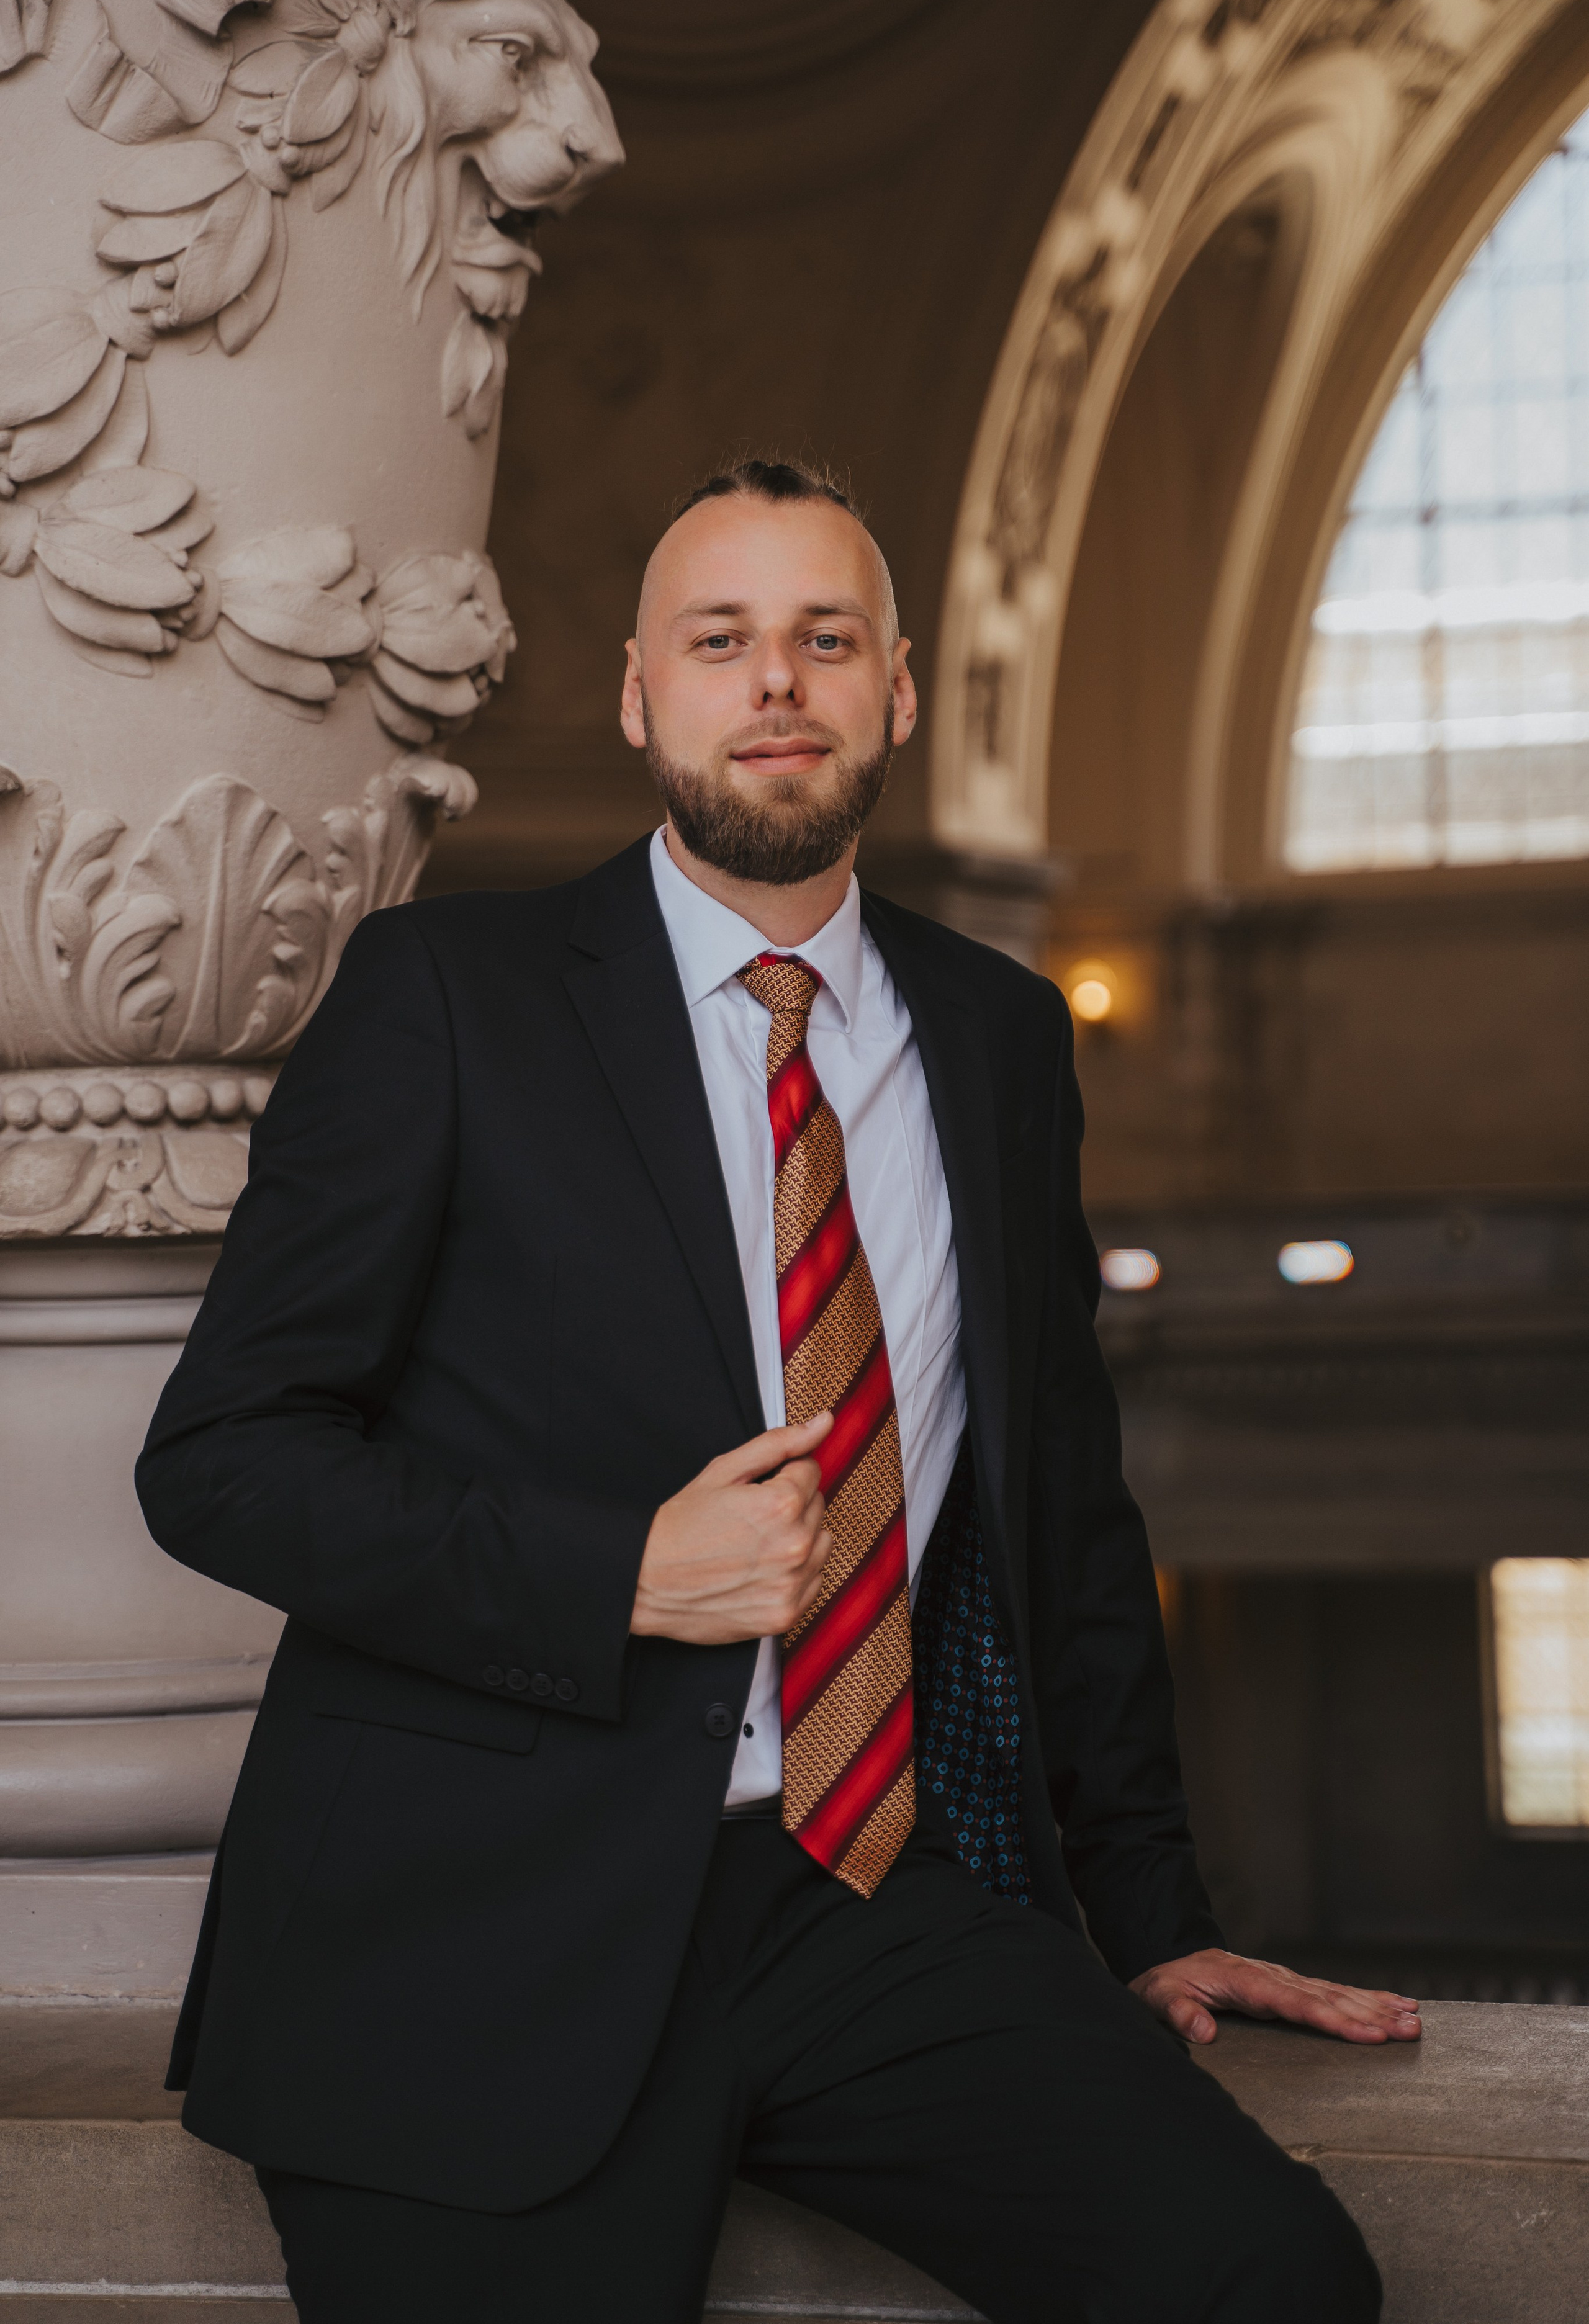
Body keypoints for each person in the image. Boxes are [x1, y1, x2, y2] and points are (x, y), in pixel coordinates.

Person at [137, 459, 1416, 2323]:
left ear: (898, 690)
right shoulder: (445, 998)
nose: (778, 684)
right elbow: (222, 1463)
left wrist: (1156, 1920)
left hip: (866, 1897)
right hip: (472, 1923)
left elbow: (1061, 1514)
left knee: (1271, 2281)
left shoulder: (995, 1036)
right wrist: (617, 1577)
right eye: (721, 641)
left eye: (826, 640)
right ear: (643, 694)